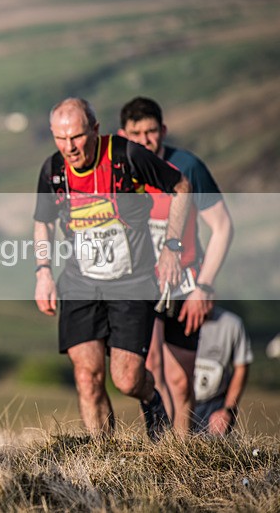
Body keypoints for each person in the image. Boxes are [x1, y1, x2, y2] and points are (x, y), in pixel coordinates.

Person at [33, 97, 191, 440]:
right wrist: (43, 272)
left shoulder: (127, 156)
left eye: (77, 137)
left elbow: (182, 187)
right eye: (61, 138)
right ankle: (102, 456)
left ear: (95, 129)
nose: (69, 147)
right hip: (79, 283)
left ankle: (151, 399)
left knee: (127, 379)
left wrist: (172, 247)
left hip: (132, 282)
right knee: (87, 377)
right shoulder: (53, 170)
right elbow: (43, 222)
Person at [119, 97, 234, 435]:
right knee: (150, 365)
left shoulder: (188, 167)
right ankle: (160, 444)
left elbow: (223, 227)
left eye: (151, 131)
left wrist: (205, 286)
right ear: (123, 135)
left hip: (184, 283)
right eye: (136, 134)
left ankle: (183, 447)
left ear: (164, 130)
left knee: (180, 377)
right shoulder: (119, 170)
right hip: (139, 282)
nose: (144, 140)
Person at [193, 307, 252, 435]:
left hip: (213, 404)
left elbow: (241, 367)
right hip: (176, 402)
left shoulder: (232, 324)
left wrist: (228, 410)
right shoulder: (171, 321)